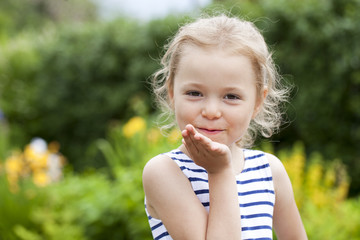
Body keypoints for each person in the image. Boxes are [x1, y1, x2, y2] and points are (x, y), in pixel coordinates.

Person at [143, 14, 307, 240]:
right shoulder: (164, 172)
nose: (211, 111)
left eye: (231, 96)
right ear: (172, 93)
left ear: (258, 102)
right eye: (194, 93)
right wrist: (219, 171)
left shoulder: (270, 171)